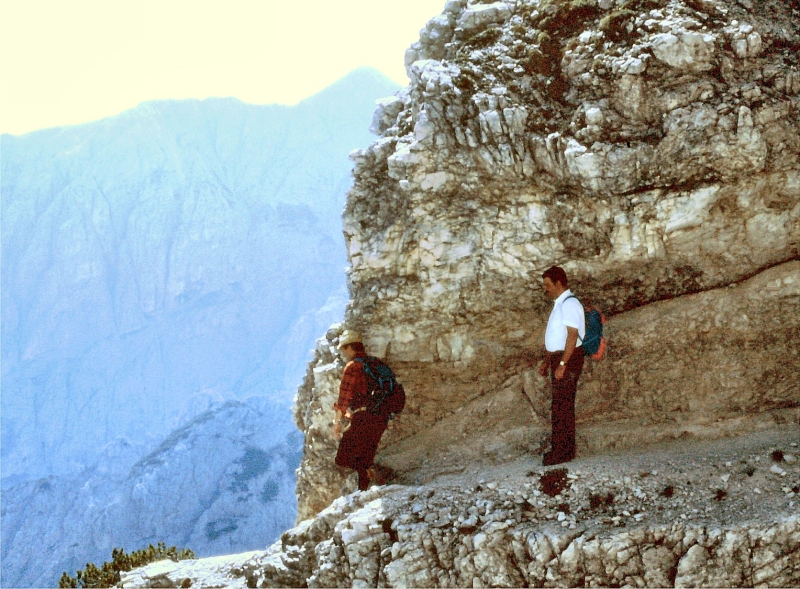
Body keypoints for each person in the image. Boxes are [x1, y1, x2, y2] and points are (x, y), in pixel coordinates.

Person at [537, 266, 586, 466]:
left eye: (548, 285)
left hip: (569, 359)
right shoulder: (560, 304)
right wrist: (547, 361)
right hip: (560, 358)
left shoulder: (570, 304)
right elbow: (557, 337)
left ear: (558, 283)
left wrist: (563, 364)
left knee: (563, 405)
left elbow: (572, 336)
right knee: (559, 405)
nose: (545, 289)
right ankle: (561, 450)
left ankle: (563, 452)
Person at [333, 330, 391, 491]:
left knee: (342, 458)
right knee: (364, 460)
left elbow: (344, 398)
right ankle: (365, 489)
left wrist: (337, 422)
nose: (342, 353)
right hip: (382, 416)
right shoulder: (375, 362)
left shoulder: (352, 366)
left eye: (343, 348)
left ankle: (371, 482)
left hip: (364, 418)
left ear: (349, 347)